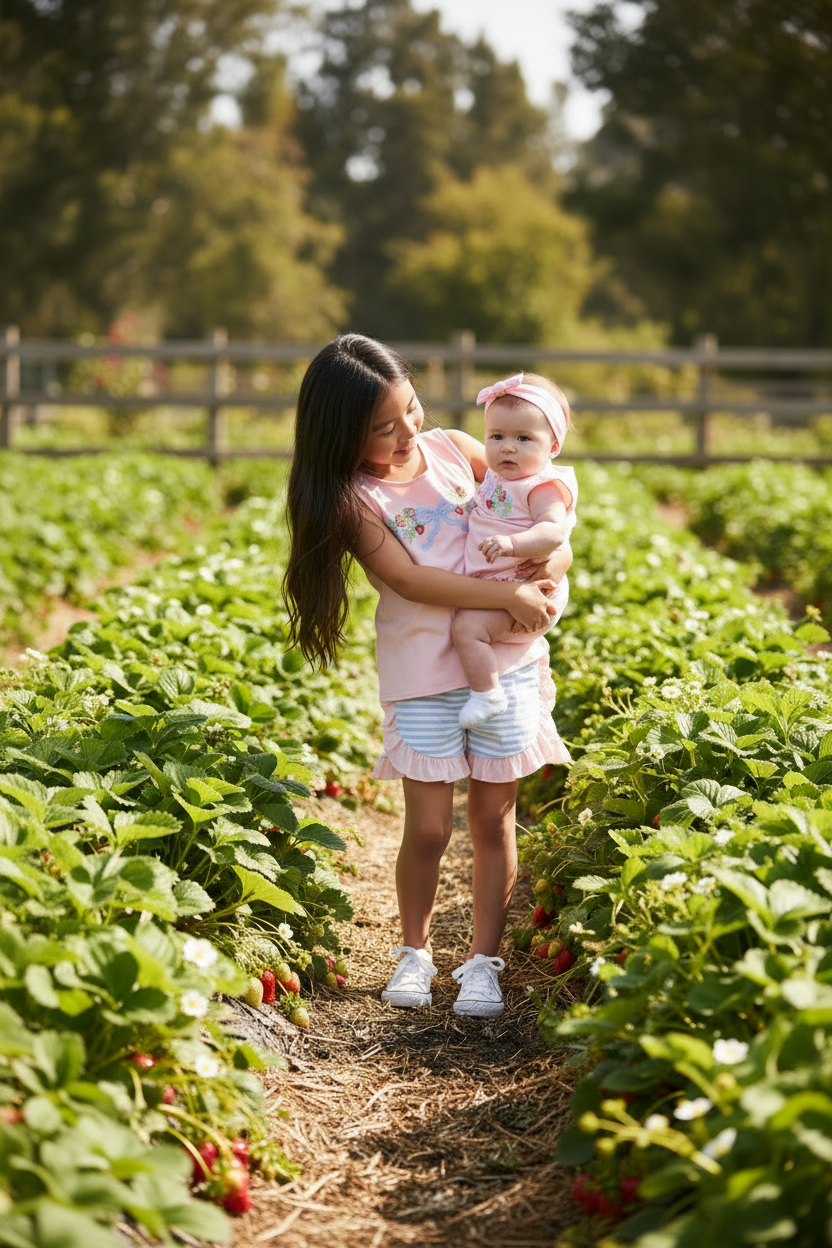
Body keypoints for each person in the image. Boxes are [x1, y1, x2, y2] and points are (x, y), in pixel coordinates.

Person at [283, 335, 572, 1020]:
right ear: (341, 435)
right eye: (383, 427)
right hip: (423, 672)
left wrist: (549, 571)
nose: (407, 431)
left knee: (494, 816)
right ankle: (414, 951)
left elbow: (540, 511)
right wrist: (505, 597)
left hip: (504, 662)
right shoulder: (355, 498)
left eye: (410, 409)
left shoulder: (455, 449)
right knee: (431, 825)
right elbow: (410, 579)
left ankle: (483, 962)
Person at [452, 373, 577, 729]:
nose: (508, 447)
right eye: (497, 436)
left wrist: (512, 544)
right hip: (501, 582)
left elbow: (553, 532)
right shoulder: (499, 475)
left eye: (523, 438)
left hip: (527, 587)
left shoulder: (542, 487)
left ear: (552, 447)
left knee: (467, 628)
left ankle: (487, 694)